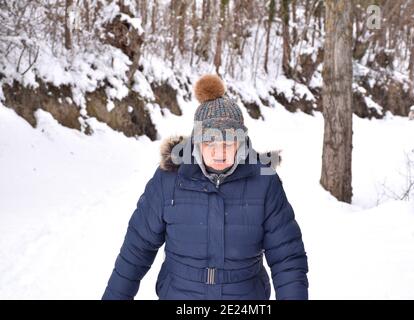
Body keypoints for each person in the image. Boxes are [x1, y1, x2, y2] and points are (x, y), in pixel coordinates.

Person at [102, 74, 309, 300]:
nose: (218, 152)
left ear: (240, 142)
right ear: (196, 141)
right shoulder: (169, 179)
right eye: (210, 142)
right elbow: (136, 250)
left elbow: (287, 259)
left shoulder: (264, 181)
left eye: (228, 142)